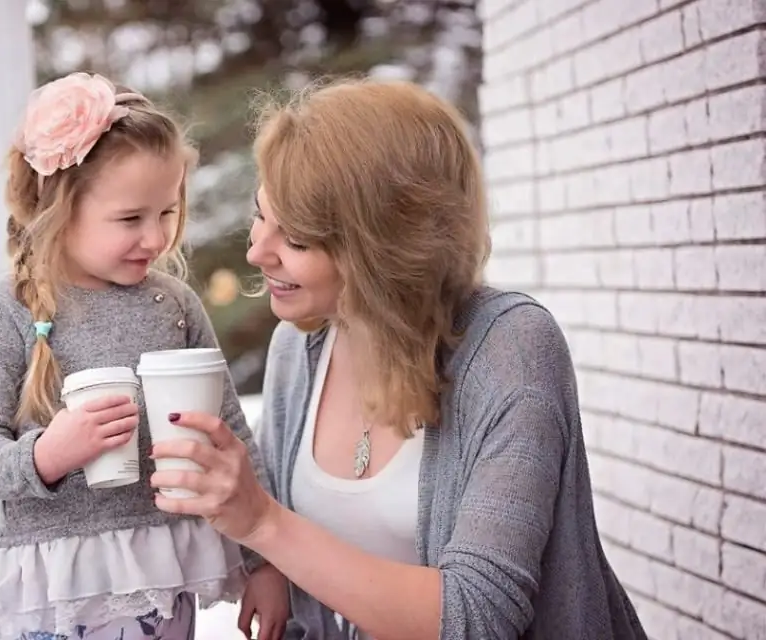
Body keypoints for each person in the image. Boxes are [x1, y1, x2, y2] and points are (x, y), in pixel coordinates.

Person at [148, 78, 649, 639]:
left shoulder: (513, 350)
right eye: (262, 216)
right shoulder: (300, 345)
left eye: (299, 239)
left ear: (383, 246)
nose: (257, 251)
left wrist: (262, 522)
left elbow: (478, 618)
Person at [0, 72, 288, 640]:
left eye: (167, 212)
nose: (155, 239)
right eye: (131, 219)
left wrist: (266, 561)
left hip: (160, 578)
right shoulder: (9, 312)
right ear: (60, 208)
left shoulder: (173, 305)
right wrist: (45, 456)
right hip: (55, 592)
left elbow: (230, 435)